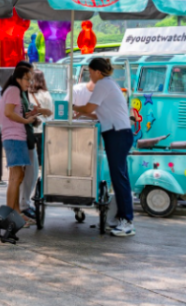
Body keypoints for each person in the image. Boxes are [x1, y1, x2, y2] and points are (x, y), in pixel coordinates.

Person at [73, 58, 136, 237]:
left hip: (117, 134)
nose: (90, 75)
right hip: (118, 133)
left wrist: (71, 106)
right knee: (119, 177)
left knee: (119, 179)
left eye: (91, 71)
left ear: (98, 72)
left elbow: (88, 108)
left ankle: (126, 221)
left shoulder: (102, 84)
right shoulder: (110, 84)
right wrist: (82, 112)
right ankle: (124, 219)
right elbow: (98, 112)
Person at [0, 62, 51, 226]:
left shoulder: (13, 90)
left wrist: (30, 116)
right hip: (14, 137)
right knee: (16, 177)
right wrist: (26, 120)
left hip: (16, 137)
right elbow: (8, 113)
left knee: (18, 176)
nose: (29, 83)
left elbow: (12, 112)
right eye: (27, 79)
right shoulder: (14, 90)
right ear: (19, 78)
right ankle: (10, 215)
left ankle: (16, 213)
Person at [21, 70, 53, 219]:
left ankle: (23, 201)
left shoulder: (26, 94)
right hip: (40, 131)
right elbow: (51, 113)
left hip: (29, 132)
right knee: (35, 168)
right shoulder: (46, 95)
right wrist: (41, 112)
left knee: (28, 169)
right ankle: (24, 202)